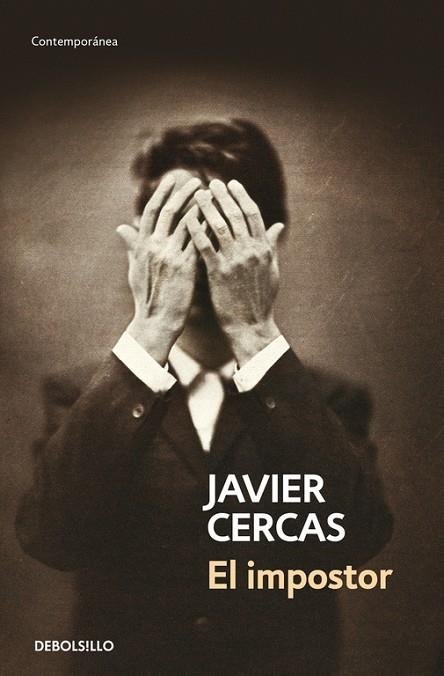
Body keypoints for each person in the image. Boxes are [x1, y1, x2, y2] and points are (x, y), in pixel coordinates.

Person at [16, 119, 393, 675]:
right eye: (177, 230)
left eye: (222, 230)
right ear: (143, 245)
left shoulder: (330, 400)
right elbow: (52, 540)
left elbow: (355, 540)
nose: (195, 257)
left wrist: (255, 332)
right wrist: (151, 328)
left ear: (271, 243)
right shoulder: (83, 395)